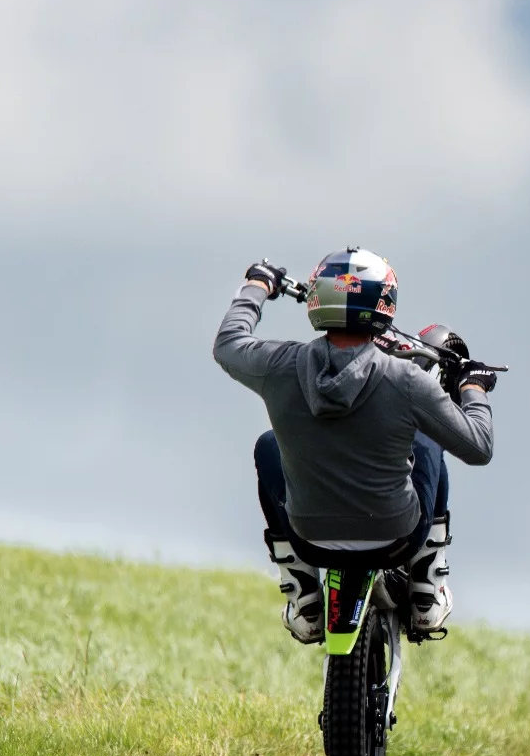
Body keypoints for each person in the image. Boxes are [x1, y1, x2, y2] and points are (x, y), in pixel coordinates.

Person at [213, 248, 497, 643]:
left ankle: (304, 596)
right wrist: (473, 388)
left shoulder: (279, 365)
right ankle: (426, 589)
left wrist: (258, 284)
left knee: (268, 445)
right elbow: (479, 446)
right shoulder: (408, 381)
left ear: (317, 300)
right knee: (429, 438)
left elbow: (228, 344)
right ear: (385, 303)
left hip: (309, 541)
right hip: (396, 538)